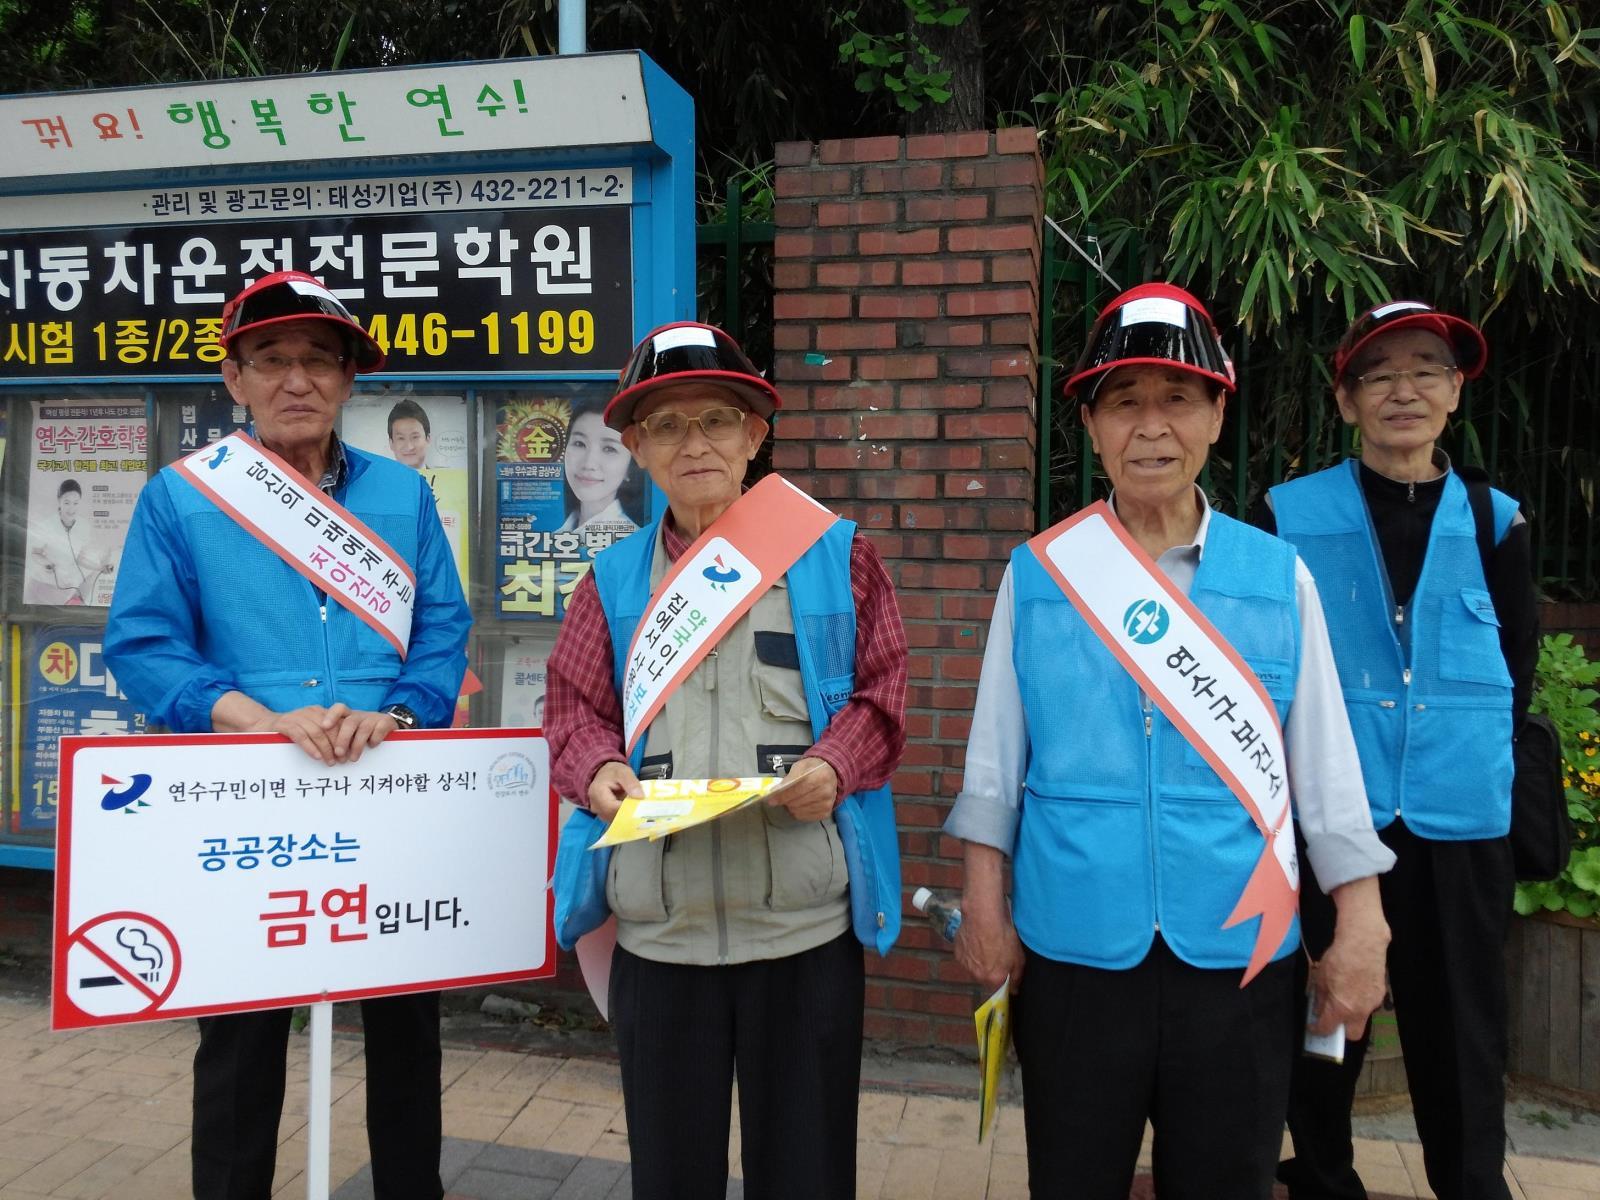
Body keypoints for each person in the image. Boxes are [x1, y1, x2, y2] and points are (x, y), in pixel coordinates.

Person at [946, 283, 1395, 1200]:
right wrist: (984, 907)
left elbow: (1326, 772)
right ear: (1092, 425)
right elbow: (995, 766)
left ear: (1218, 414)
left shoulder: (1277, 577)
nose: (1152, 428)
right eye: (1124, 402)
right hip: (1075, 950)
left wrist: (1362, 919)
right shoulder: (1040, 576)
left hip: (1239, 954)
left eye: (1178, 399)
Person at [105, 269, 471, 1200]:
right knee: (239, 1040)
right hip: (248, 801)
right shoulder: (182, 497)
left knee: (404, 1031)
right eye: (271, 361)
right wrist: (260, 720)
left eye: (319, 359)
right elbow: (145, 647)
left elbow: (440, 632)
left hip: (385, 793)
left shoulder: (403, 496)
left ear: (350, 380)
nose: (296, 380)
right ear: (234, 379)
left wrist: (397, 715)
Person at [546, 321, 907, 1200]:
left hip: (801, 930)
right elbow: (571, 709)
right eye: (666, 426)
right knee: (672, 1176)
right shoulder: (612, 580)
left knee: (807, 1174)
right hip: (660, 938)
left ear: (756, 434)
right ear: (636, 448)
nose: (694, 443)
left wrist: (834, 763)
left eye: (716, 419)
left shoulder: (833, 554)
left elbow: (883, 691)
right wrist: (597, 771)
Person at [1266, 301, 1537, 1200]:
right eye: (1378, 373)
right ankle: (1323, 1175)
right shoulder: (1287, 515)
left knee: (1461, 1025)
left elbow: (1517, 669)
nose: (1403, 390)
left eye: (1426, 368)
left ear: (1456, 391)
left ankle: (1470, 1184)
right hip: (1326, 818)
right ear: (1345, 400)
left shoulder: (1497, 521)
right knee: (1324, 1011)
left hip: (1458, 820)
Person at [558, 393, 648, 535]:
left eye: (609, 449)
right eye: (579, 443)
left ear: (629, 467)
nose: (589, 463)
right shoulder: (548, 538)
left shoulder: (632, 541)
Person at [26, 478, 110, 604]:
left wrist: (100, 567)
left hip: (66, 583)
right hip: (44, 581)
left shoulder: (84, 526)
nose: (71, 508)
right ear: (59, 501)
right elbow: (35, 553)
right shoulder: (47, 525)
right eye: (67, 503)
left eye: (75, 503)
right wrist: (46, 563)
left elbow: (80, 558)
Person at [386, 397, 432, 470]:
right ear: (391, 443)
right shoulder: (381, 480)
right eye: (401, 438)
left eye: (415, 437)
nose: (409, 447)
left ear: (428, 439)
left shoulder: (444, 479)